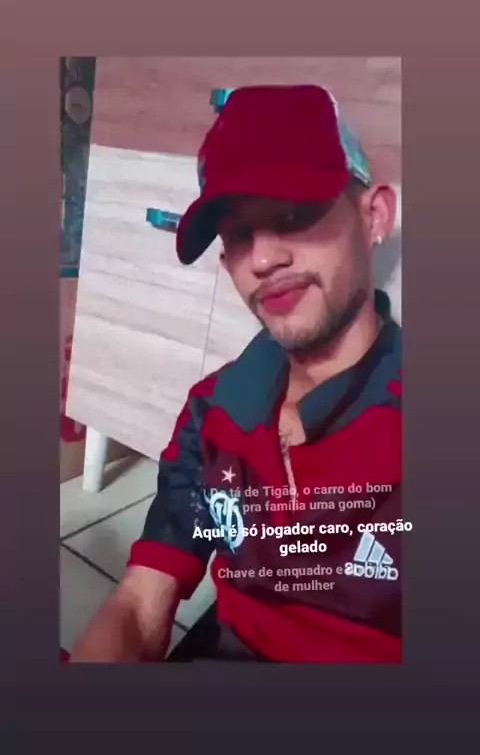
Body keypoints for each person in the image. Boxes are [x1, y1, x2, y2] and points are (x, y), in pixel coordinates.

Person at [70, 84, 402, 664]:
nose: (263, 259)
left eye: (293, 213)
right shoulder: (214, 411)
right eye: (239, 234)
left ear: (374, 215)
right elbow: (142, 603)